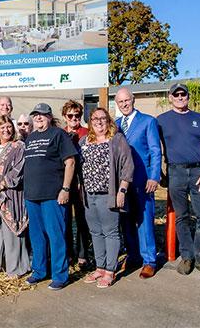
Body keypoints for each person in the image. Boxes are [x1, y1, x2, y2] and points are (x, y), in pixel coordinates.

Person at [158, 83, 200, 279]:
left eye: (183, 94)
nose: (180, 97)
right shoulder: (161, 121)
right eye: (177, 95)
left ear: (188, 97)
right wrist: (159, 173)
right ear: (170, 98)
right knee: (182, 217)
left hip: (199, 172)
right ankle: (187, 256)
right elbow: (154, 148)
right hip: (176, 172)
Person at [78, 108, 134, 288]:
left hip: (107, 194)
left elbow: (128, 166)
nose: (99, 122)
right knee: (95, 231)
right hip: (88, 194)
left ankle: (110, 270)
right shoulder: (83, 141)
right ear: (90, 122)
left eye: (103, 118)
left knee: (110, 232)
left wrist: (122, 190)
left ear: (108, 121)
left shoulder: (116, 140)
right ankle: (100, 267)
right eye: (95, 119)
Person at [23, 103, 76, 290]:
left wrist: (66, 189)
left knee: (56, 235)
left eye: (42, 114)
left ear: (49, 117)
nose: (38, 117)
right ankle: (39, 271)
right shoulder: (30, 138)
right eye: (35, 114)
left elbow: (70, 162)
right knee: (37, 236)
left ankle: (60, 275)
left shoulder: (58, 134)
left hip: (53, 195)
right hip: (32, 195)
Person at [114, 88, 161, 279]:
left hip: (143, 180)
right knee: (126, 220)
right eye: (120, 102)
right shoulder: (116, 125)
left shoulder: (148, 121)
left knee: (144, 221)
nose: (124, 104)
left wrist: (154, 176)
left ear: (133, 100)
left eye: (127, 100)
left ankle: (149, 260)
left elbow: (155, 150)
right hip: (123, 183)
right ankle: (133, 255)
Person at [0, 116, 30, 277]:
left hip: (11, 194)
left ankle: (15, 268)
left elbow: (19, 171)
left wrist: (1, 185)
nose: (6, 130)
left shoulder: (19, 146)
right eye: (2, 127)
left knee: (12, 232)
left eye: (9, 126)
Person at [61, 100, 90, 268]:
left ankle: (83, 254)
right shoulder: (59, 134)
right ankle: (69, 253)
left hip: (82, 183)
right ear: (65, 117)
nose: (74, 118)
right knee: (64, 220)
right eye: (70, 115)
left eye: (77, 115)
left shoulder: (87, 133)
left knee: (81, 220)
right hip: (65, 183)